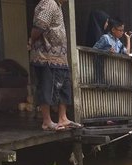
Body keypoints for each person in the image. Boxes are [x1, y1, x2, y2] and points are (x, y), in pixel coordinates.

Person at [28, 0, 82, 131]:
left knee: (64, 88)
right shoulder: (49, 3)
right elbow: (39, 26)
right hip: (46, 57)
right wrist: (31, 40)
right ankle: (47, 121)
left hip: (60, 57)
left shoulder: (57, 5)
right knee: (47, 87)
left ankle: (63, 118)